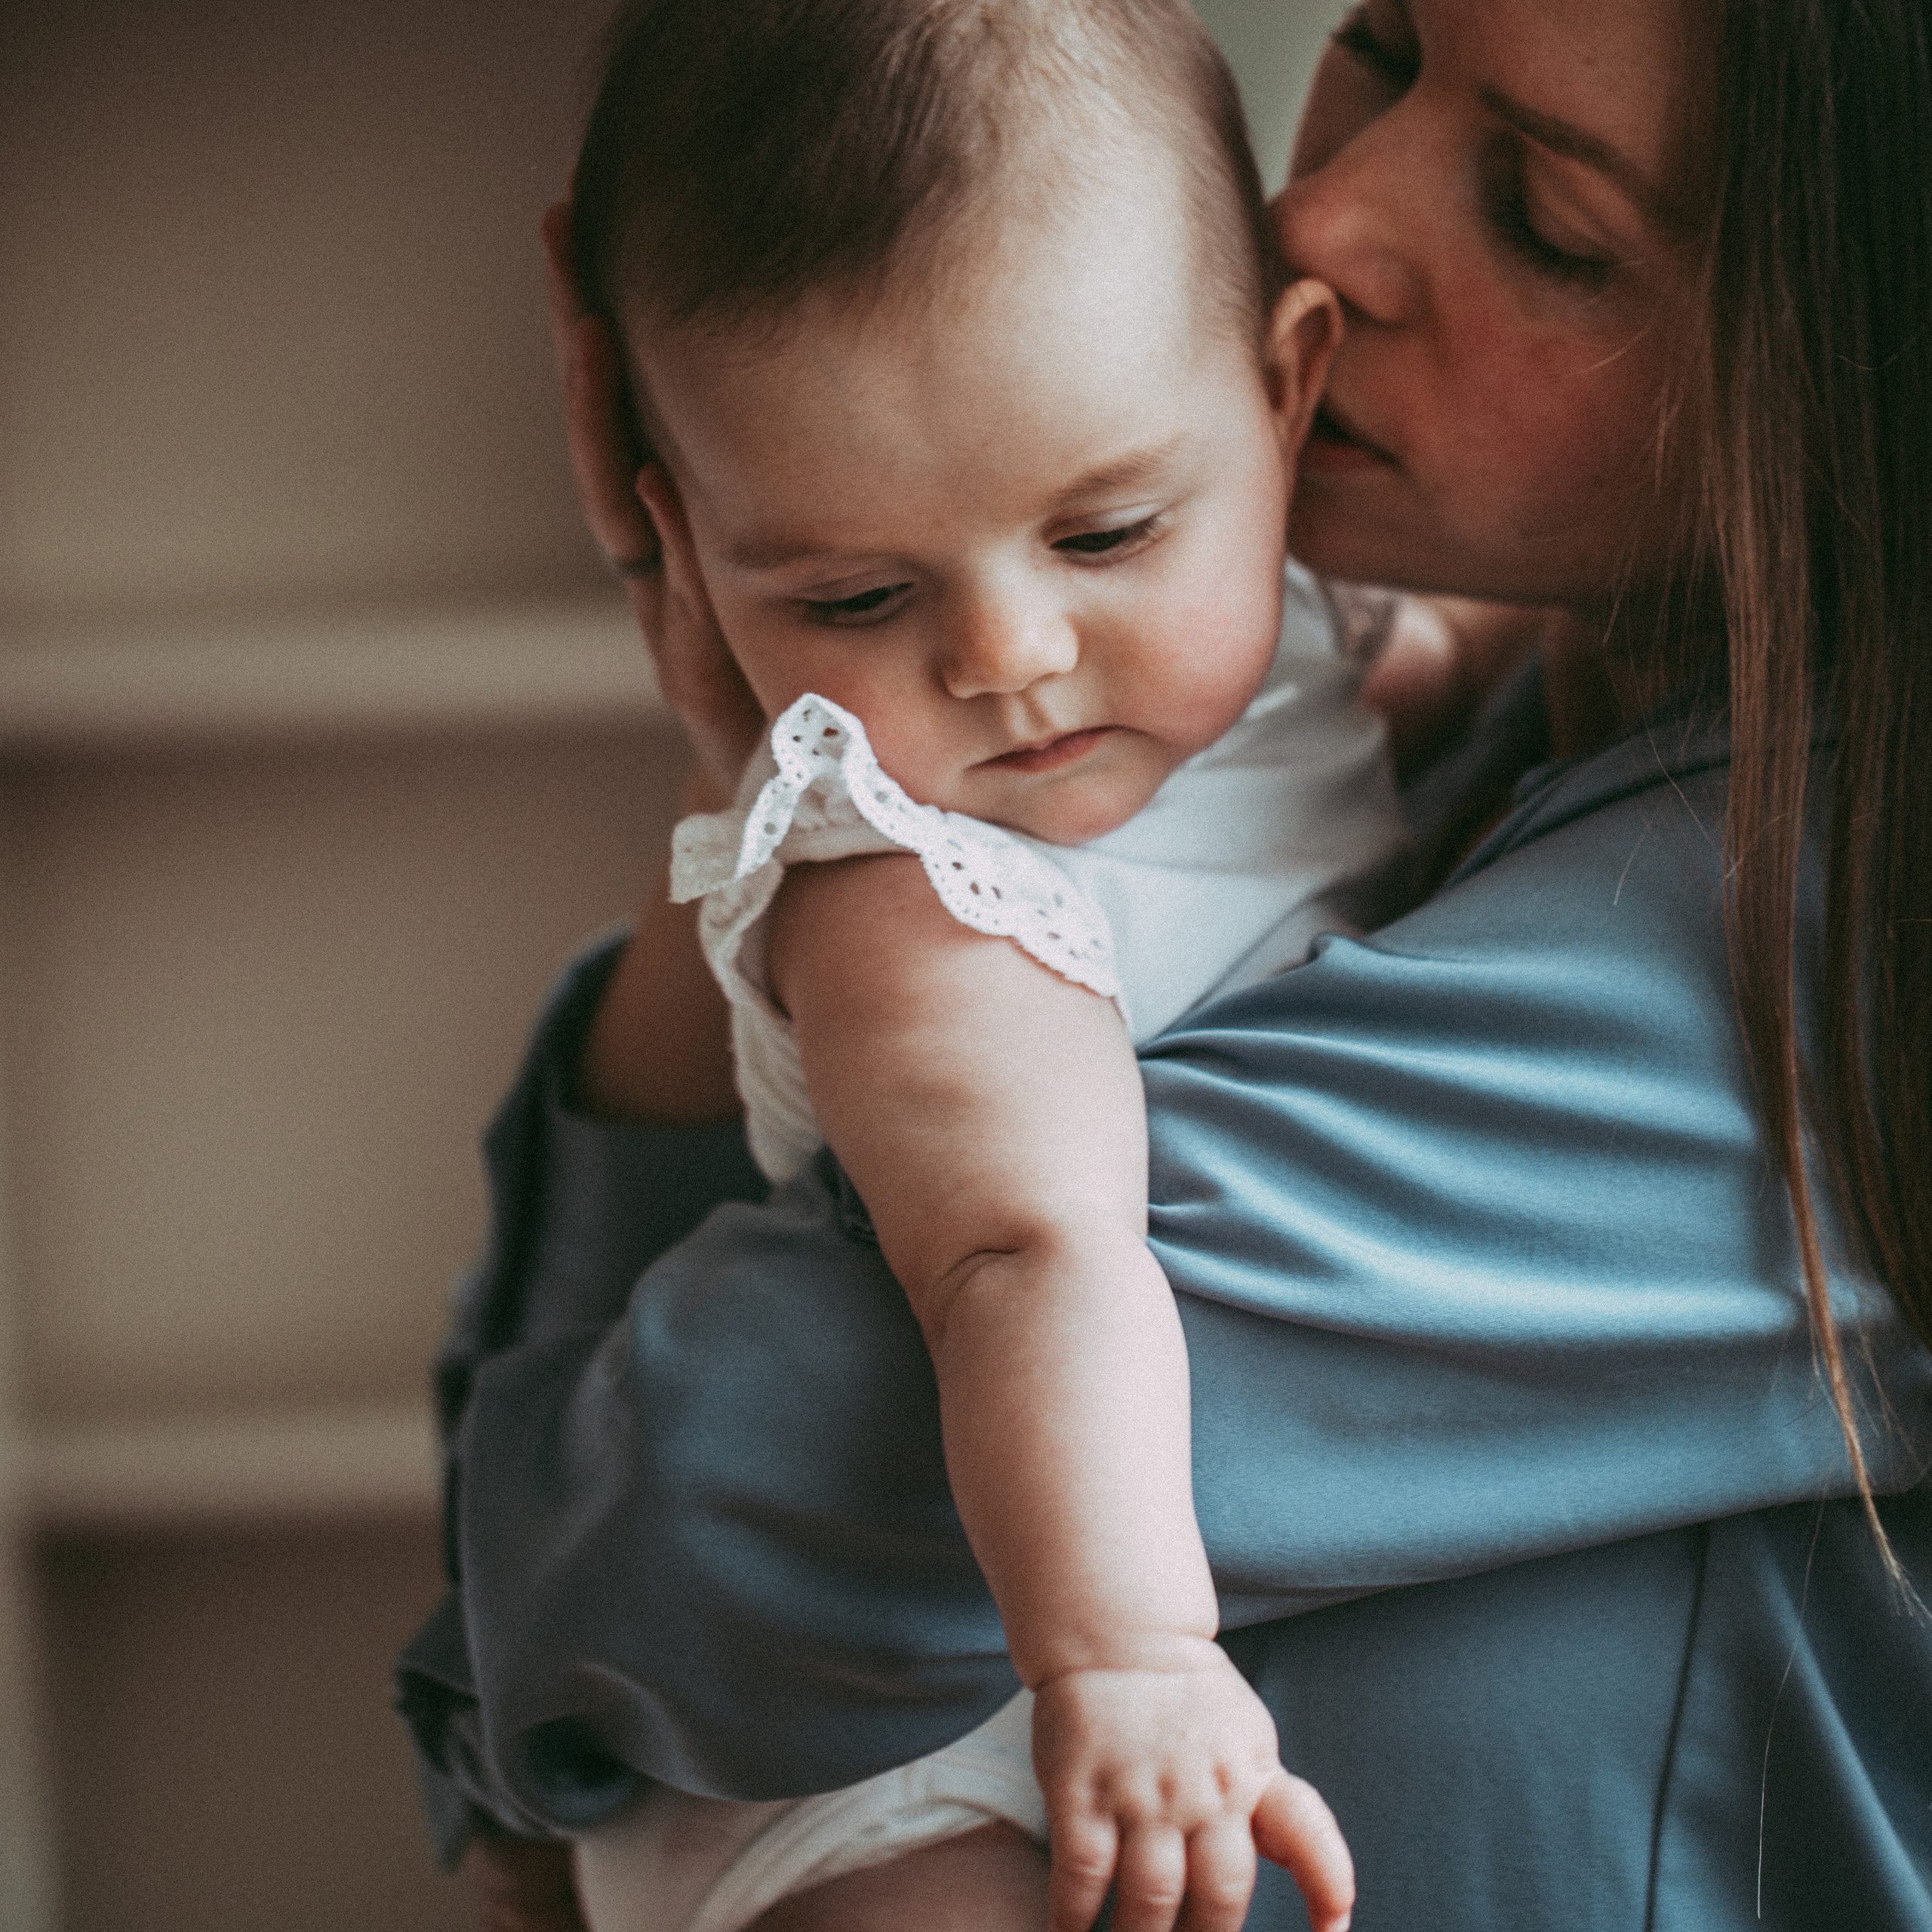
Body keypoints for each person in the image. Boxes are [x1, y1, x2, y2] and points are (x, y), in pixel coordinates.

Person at [397, 1, 1932, 1927]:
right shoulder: (1377, 725)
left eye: (1544, 217)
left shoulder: (1831, 942)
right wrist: (764, 782)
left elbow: (650, 1541)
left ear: (1859, 355)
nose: (1332, 214)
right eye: (1377, 44)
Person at [540, 2, 1411, 1925]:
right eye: (850, 595)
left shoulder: (1312, 640)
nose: (1006, 652)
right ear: (685, 553)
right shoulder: (898, 869)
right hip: (890, 1747)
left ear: (1284, 396)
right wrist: (1126, 1652)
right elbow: (1025, 1244)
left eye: (1104, 527)